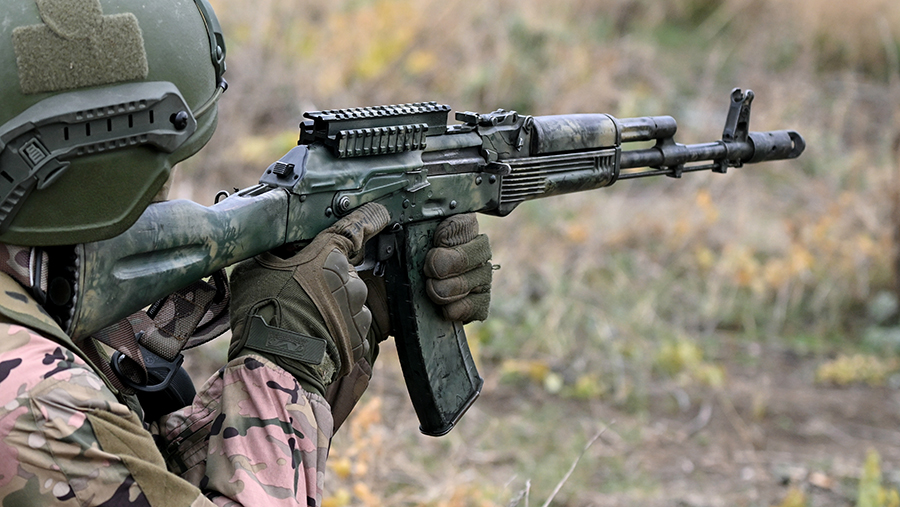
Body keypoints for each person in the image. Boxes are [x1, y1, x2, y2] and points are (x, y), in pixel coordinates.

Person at [0, 0, 492, 505]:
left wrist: (353, 310)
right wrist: (284, 358)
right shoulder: (41, 405)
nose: (166, 192)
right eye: (160, 165)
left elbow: (149, 473)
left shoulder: (32, 309)